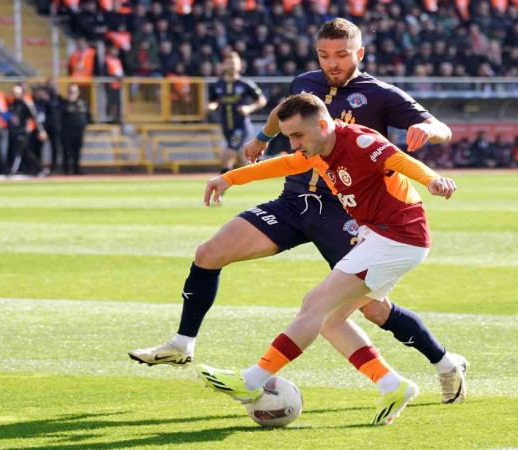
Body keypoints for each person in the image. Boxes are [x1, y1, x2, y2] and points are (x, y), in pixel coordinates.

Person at [129, 18, 468, 404]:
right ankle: (182, 343)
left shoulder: (381, 95)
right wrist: (262, 137)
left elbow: (435, 129)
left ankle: (441, 363)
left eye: (341, 55)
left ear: (359, 53)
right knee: (209, 253)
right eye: (324, 55)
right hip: (294, 201)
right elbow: (282, 115)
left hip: (344, 213)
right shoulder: (306, 84)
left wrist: (429, 133)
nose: (332, 63)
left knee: (368, 309)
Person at [197, 93, 458, 425]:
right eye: (289, 137)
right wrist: (229, 178)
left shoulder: (360, 141)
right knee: (332, 320)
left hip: (398, 237)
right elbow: (284, 165)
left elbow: (399, 160)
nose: (293, 144)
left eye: (297, 136)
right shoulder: (317, 150)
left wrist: (433, 180)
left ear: (322, 125)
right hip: (380, 236)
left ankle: (251, 380)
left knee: (315, 304)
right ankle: (392, 385)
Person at [206, 51, 267, 173]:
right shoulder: (217, 85)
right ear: (223, 65)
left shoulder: (246, 84)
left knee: (226, 157)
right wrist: (211, 106)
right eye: (229, 63)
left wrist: (249, 108)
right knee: (241, 161)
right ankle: (255, 175)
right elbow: (213, 101)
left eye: (234, 63)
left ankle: (223, 185)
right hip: (226, 126)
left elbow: (262, 100)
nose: (232, 66)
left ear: (240, 65)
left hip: (241, 126)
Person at [59, 84, 89, 175]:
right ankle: (66, 170)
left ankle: (76, 169)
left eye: (74, 92)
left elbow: (88, 115)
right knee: (67, 151)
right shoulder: (64, 103)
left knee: (77, 151)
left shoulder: (82, 103)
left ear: (78, 93)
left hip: (79, 131)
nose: (72, 94)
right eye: (71, 92)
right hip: (67, 131)